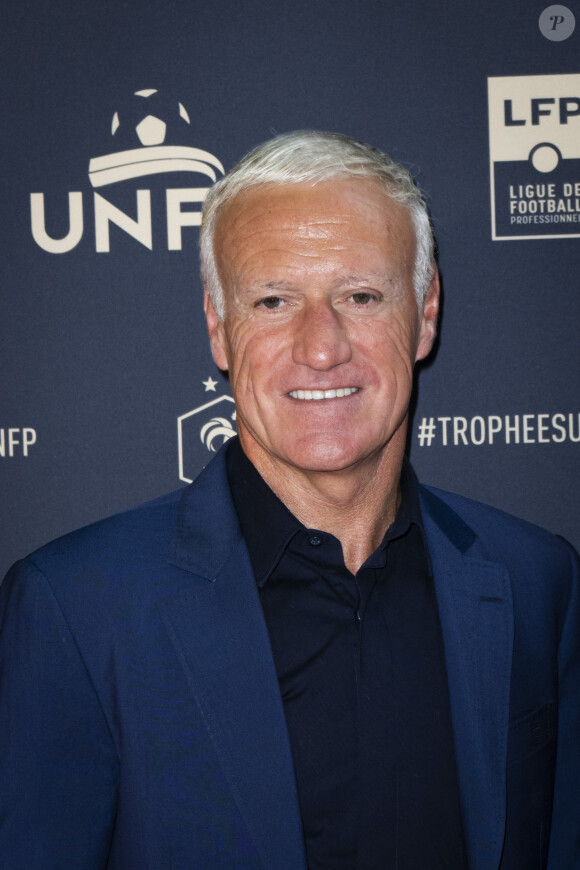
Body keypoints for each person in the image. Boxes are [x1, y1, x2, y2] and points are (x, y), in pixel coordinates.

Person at [0, 131, 578, 870]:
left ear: (425, 313)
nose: (321, 345)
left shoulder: (537, 581)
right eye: (274, 300)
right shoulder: (75, 610)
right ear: (218, 328)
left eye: (361, 296)